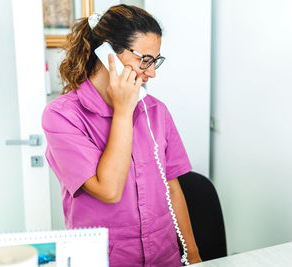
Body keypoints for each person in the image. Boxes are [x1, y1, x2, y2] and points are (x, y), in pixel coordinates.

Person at [42, 4, 202, 267]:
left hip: (165, 256)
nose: (151, 72)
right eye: (145, 60)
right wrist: (123, 111)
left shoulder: (156, 111)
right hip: (104, 259)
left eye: (155, 61)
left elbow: (172, 187)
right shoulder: (62, 116)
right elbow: (109, 190)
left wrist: (193, 257)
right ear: (107, 53)